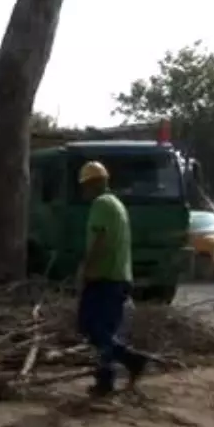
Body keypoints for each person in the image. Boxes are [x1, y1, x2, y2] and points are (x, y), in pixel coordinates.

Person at [76, 160, 149, 396]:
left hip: (104, 278)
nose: (84, 192)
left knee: (92, 327)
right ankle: (106, 379)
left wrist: (86, 270)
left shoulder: (101, 204)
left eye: (85, 186)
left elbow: (99, 241)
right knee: (104, 330)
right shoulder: (116, 204)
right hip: (118, 277)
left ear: (93, 184)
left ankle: (130, 361)